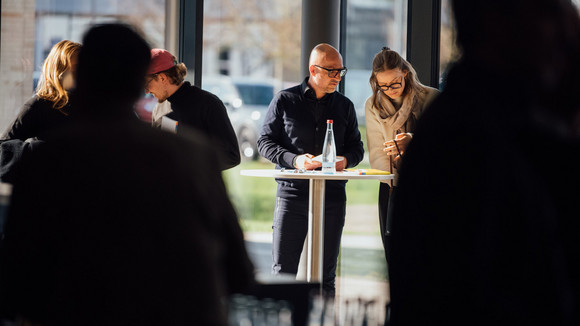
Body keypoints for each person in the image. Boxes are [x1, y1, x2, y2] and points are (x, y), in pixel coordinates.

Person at [0, 23, 255, 326]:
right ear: (139, 85)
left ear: (81, 80)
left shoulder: (48, 162)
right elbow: (238, 271)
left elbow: (16, 277)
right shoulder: (194, 156)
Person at [388, 0, 580, 325]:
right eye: (548, 11)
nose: (564, 27)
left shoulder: (492, 118)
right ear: (499, 22)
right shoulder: (472, 133)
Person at [257, 43, 364, 296]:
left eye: (341, 71)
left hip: (332, 197)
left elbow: (357, 148)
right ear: (313, 70)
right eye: (332, 71)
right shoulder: (285, 100)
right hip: (292, 195)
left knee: (326, 276)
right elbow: (264, 142)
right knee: (283, 273)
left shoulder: (345, 106)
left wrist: (344, 161)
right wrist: (295, 160)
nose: (338, 77)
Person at [364, 47, 439, 263]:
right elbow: (377, 152)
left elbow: (448, 145)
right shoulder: (373, 106)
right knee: (395, 257)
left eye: (395, 82)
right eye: (383, 85)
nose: (390, 89)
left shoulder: (431, 98)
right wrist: (396, 168)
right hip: (391, 188)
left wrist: (414, 143)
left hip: (429, 187)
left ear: (405, 72)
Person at [145, 49, 240, 170]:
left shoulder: (209, 104)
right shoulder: (158, 109)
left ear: (162, 78)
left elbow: (231, 155)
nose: (146, 91)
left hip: (198, 188)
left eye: (147, 83)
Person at [1, 40, 81, 141]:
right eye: (75, 70)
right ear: (59, 72)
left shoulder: (93, 104)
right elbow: (5, 145)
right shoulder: (40, 105)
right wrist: (41, 150)